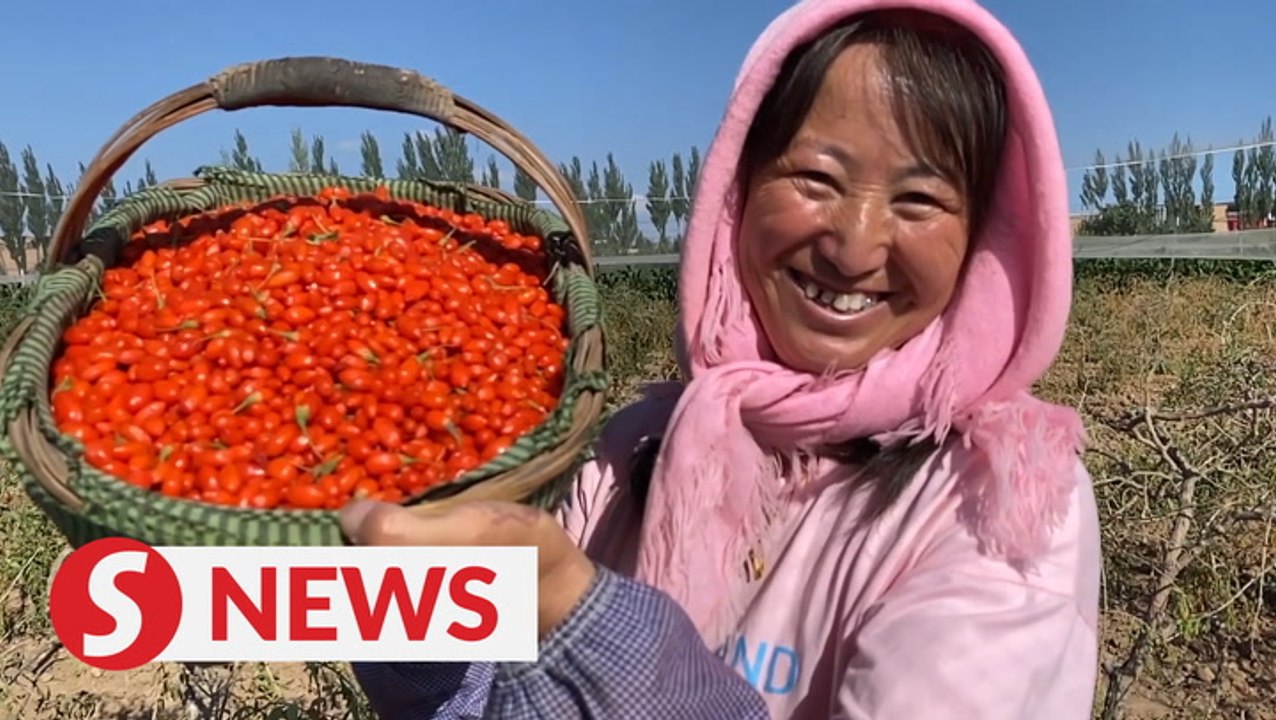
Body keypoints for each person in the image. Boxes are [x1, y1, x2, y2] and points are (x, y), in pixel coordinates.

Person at [339, 0, 1103, 717]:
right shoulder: (630, 450)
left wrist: (586, 622)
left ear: (983, 240)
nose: (855, 244)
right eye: (816, 178)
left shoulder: (1002, 505)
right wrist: (416, 623)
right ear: (734, 195)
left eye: (919, 201)